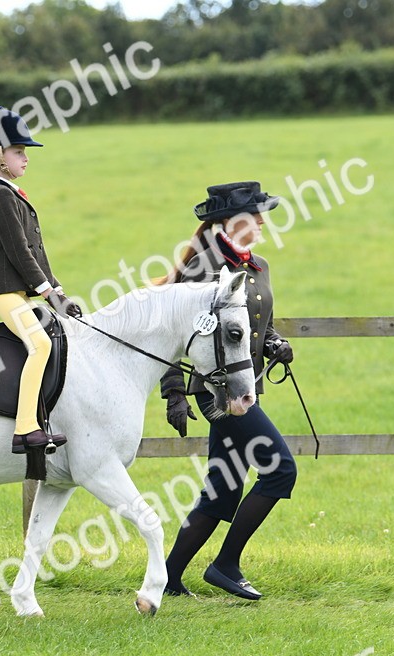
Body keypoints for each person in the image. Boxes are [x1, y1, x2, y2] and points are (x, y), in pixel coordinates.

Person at [155, 182, 297, 601]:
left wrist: (275, 343)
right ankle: (226, 564)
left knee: (225, 485)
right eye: (255, 215)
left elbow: (260, 322)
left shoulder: (259, 265)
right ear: (231, 221)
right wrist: (174, 391)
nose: (262, 221)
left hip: (245, 387)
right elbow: (172, 330)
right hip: (216, 392)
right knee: (280, 469)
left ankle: (167, 578)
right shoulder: (203, 267)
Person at [0, 106, 81, 457]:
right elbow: (18, 252)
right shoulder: (0, 195)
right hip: (0, 290)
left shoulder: (7, 192)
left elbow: (35, 251)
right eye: (19, 152)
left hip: (14, 289)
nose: (26, 158)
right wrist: (47, 293)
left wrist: (57, 290)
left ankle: (41, 418)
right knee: (40, 345)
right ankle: (25, 428)